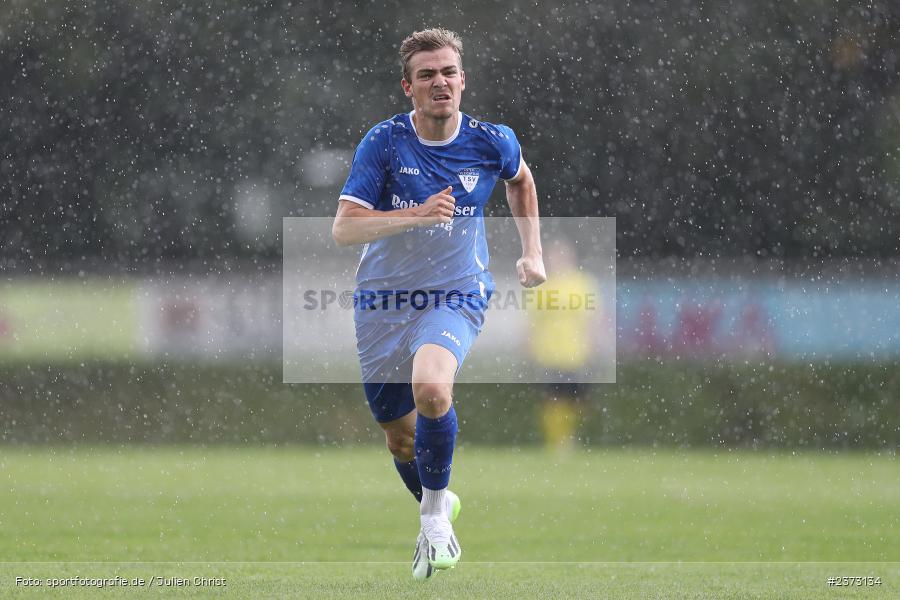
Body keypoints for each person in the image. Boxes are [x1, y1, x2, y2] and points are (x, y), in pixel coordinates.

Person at [331, 28, 545, 580]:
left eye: (448, 71)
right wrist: (417, 215)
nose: (440, 82)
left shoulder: (491, 140)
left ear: (462, 80)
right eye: (426, 74)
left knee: (432, 386)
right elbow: (344, 229)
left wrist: (532, 252)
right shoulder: (383, 142)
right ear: (409, 87)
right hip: (382, 301)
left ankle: (432, 519)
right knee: (399, 437)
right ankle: (438, 503)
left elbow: (520, 180)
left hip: (457, 291)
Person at [526, 239, 598, 452]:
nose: (557, 261)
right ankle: (559, 443)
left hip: (576, 351)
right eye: (553, 256)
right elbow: (532, 320)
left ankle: (572, 435)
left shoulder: (582, 283)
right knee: (553, 400)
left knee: (579, 400)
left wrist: (594, 343)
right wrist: (529, 344)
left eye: (561, 256)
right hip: (548, 351)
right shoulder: (542, 284)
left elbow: (593, 318)